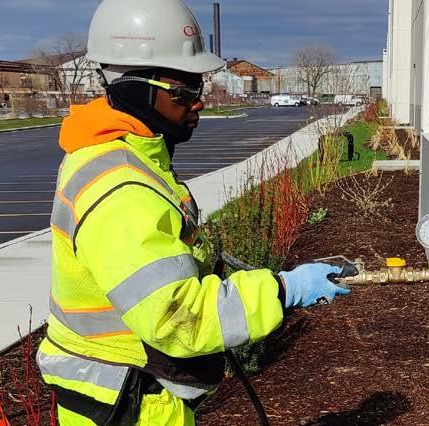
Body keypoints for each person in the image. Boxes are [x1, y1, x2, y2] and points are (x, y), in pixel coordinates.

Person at [37, 0, 351, 424]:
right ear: (133, 88)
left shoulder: (124, 156)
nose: (198, 103)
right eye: (184, 92)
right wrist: (283, 289)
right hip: (130, 406)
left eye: (198, 88)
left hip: (123, 394)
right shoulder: (121, 188)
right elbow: (178, 317)